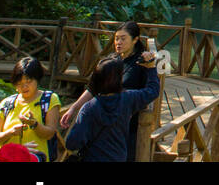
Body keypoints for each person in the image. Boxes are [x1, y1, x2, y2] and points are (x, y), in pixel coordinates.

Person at [60, 21, 152, 161]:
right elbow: (93, 87)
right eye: (116, 38)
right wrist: (74, 108)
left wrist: (151, 67)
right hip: (103, 121)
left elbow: (150, 91)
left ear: (135, 40)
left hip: (127, 123)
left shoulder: (141, 63)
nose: (118, 42)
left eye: (123, 38)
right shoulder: (111, 60)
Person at [0, 57, 61, 162]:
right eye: (19, 83)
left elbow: (50, 133)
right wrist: (10, 132)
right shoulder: (6, 103)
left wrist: (34, 125)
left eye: (29, 81)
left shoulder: (49, 99)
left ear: (37, 79)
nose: (24, 87)